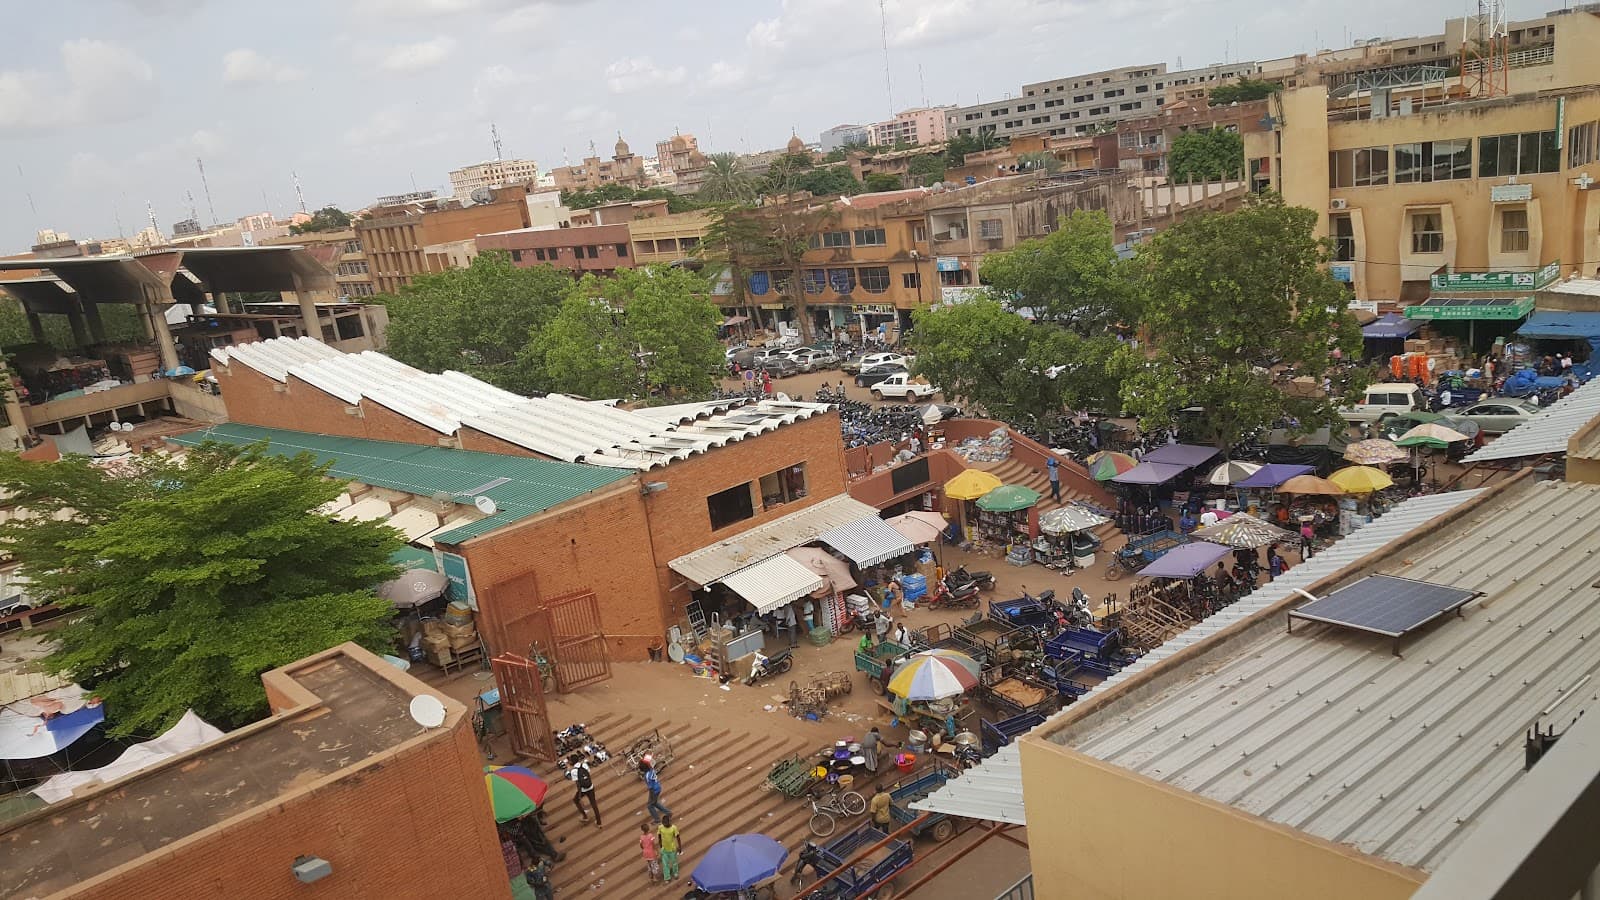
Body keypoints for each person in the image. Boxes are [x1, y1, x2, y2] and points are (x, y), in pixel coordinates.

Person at [568, 756, 601, 827]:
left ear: (572, 762)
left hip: (583, 790)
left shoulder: (573, 771)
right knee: (593, 803)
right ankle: (599, 822)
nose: (569, 762)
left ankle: (585, 816)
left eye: (570, 761)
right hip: (590, 786)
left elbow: (578, 784)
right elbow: (588, 775)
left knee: (576, 800)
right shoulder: (584, 765)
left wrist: (579, 795)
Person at [641, 758, 672, 824]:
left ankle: (657, 819)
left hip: (654, 791)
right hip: (658, 787)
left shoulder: (647, 776)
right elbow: (648, 759)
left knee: (650, 805)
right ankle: (668, 813)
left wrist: (652, 796)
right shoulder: (651, 769)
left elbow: (651, 787)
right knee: (654, 802)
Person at [657, 814, 682, 883]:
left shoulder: (674, 828)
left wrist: (680, 847)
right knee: (665, 864)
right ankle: (667, 877)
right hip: (664, 849)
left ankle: (675, 873)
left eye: (665, 823)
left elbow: (678, 837)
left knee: (674, 862)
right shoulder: (660, 827)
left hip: (672, 849)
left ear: (669, 821)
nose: (664, 824)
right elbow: (659, 836)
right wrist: (660, 846)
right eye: (663, 823)